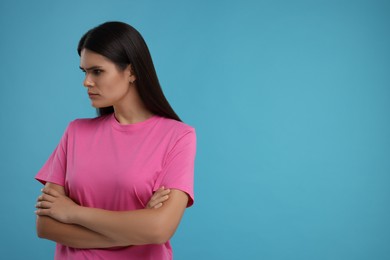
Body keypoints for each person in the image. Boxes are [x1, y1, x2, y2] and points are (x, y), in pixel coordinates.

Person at [34, 21, 196, 260]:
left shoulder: (178, 136)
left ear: (131, 71)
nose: (86, 82)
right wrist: (136, 229)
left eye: (97, 71)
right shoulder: (75, 132)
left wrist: (73, 213)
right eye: (84, 72)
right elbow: (46, 226)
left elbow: (160, 229)